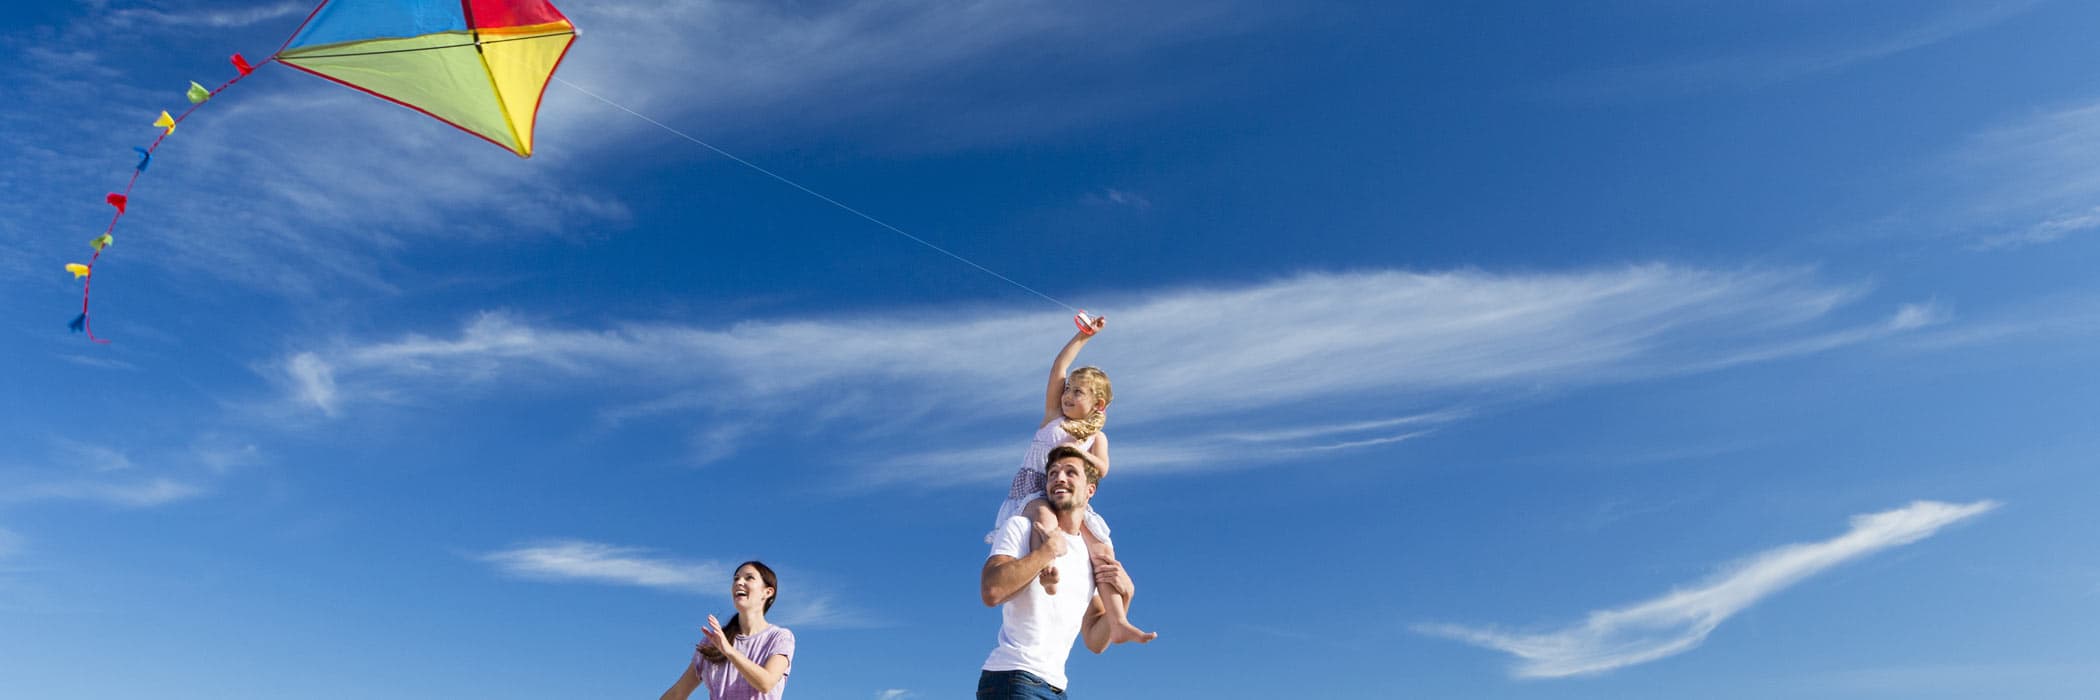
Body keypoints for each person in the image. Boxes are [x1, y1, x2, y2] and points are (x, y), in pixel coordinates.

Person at [987, 316, 1154, 645]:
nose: (1067, 395)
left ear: (1097, 404)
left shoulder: (1096, 438)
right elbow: (1057, 367)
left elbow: (1103, 469)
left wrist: (1077, 454)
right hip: (1036, 488)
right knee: (1044, 521)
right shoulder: (1053, 417)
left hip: (1070, 497)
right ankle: (1046, 574)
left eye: (1077, 392)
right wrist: (1083, 336)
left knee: (1102, 549)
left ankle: (1118, 619)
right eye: (1067, 390)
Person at [977, 447, 1141, 699]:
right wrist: (1047, 551)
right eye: (1053, 473)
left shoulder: (1090, 556)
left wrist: (1127, 596)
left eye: (1070, 472)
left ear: (1090, 490)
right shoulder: (1021, 526)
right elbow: (992, 590)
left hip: (1055, 687)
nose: (1059, 478)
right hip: (1014, 677)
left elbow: (1095, 641)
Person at [660, 561, 796, 700]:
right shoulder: (713, 641)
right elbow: (678, 693)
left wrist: (729, 651)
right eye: (736, 579)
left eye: (749, 578)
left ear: (767, 592)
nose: (739, 582)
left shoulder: (779, 637)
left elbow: (766, 683)